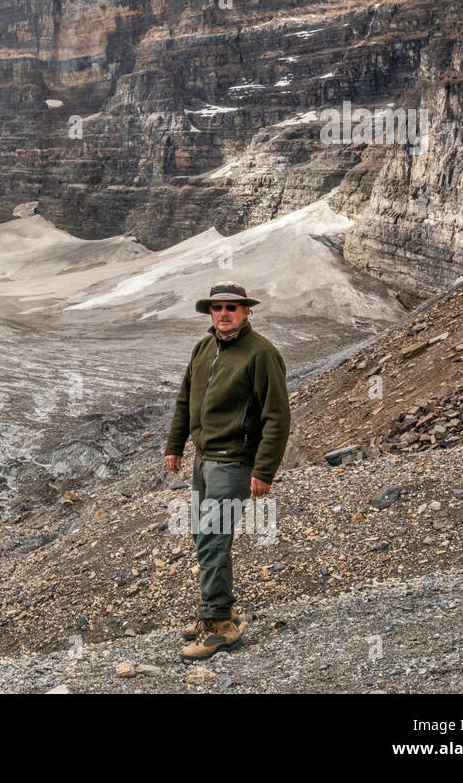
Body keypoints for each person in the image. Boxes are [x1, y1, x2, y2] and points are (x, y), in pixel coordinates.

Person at [163, 282, 289, 661]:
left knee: (213, 537)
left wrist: (264, 469)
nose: (224, 313)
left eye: (232, 308)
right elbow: (186, 398)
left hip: (234, 461)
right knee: (204, 533)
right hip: (204, 460)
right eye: (217, 307)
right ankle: (221, 608)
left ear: (247, 312)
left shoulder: (261, 353)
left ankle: (220, 626)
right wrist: (175, 445)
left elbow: (277, 416)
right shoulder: (204, 348)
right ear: (210, 312)